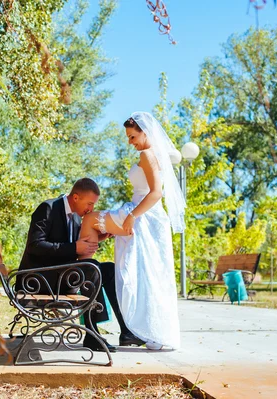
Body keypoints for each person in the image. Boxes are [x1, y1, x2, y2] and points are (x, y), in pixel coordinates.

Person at [79, 111, 183, 351]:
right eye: (128, 137)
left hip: (141, 214)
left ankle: (79, 277)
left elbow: (156, 193)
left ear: (146, 133)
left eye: (133, 136)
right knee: (145, 275)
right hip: (143, 214)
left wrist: (133, 217)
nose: (130, 142)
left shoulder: (148, 154)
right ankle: (131, 330)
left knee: (91, 219)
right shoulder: (149, 154)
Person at [17, 178, 144, 353]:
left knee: (108, 269)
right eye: (90, 203)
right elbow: (35, 245)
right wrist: (74, 247)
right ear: (76, 197)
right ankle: (91, 334)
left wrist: (99, 238)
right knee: (91, 267)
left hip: (59, 276)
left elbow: (72, 249)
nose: (91, 209)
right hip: (38, 279)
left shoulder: (77, 218)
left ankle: (127, 330)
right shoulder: (48, 208)